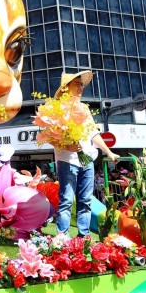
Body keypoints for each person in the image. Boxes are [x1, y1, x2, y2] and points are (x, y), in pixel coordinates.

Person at [50, 71, 119, 238]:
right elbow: (50, 136)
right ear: (66, 88)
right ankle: (62, 237)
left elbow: (93, 134)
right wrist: (67, 145)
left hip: (87, 160)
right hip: (67, 161)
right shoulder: (57, 109)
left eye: (82, 84)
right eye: (77, 84)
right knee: (66, 200)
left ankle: (84, 236)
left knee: (86, 201)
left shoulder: (85, 109)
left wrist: (109, 152)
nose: (81, 87)